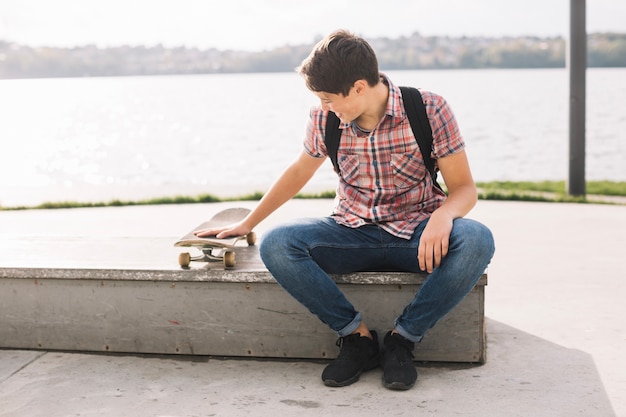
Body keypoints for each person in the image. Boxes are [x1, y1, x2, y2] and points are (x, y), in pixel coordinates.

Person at [195, 29, 495, 391]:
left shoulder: (428, 109)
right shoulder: (325, 119)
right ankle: (357, 339)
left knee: (477, 239)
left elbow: (464, 189)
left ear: (357, 88)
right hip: (351, 233)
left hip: (418, 237)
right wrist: (247, 223)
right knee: (278, 243)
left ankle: (403, 340)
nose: (324, 106)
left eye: (328, 98)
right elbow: (299, 172)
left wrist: (443, 216)